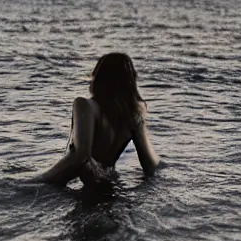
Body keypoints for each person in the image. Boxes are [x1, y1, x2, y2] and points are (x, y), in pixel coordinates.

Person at [29, 53, 160, 187]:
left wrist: (39, 181)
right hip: (110, 185)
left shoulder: (85, 106)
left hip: (81, 183)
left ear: (98, 77)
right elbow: (150, 166)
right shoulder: (133, 116)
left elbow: (81, 156)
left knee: (26, 186)